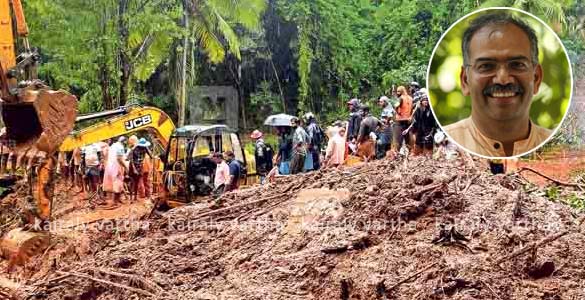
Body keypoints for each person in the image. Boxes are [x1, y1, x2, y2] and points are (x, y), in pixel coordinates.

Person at [443, 12, 550, 157]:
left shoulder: (560, 148)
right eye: (487, 66)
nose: (503, 79)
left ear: (536, 78)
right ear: (465, 80)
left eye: (517, 65)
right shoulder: (443, 144)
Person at [402, 92, 437, 157]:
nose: (426, 102)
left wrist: (430, 134)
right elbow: (415, 121)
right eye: (424, 100)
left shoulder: (432, 110)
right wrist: (408, 129)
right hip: (420, 130)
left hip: (429, 130)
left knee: (428, 148)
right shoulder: (418, 110)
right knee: (417, 147)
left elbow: (434, 125)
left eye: (427, 100)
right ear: (421, 101)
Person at [102, 137, 128, 206]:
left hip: (110, 166)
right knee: (117, 184)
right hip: (117, 167)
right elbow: (119, 159)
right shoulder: (120, 147)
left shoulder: (113, 146)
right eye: (126, 142)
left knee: (116, 184)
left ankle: (118, 199)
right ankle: (114, 201)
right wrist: (126, 167)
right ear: (124, 141)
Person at [392, 86, 413, 152]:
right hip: (408, 120)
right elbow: (412, 109)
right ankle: (408, 151)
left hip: (400, 120)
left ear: (401, 91)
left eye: (398, 91)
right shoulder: (410, 98)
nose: (397, 93)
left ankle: (398, 152)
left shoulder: (401, 98)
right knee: (407, 138)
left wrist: (397, 112)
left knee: (398, 138)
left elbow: (396, 106)